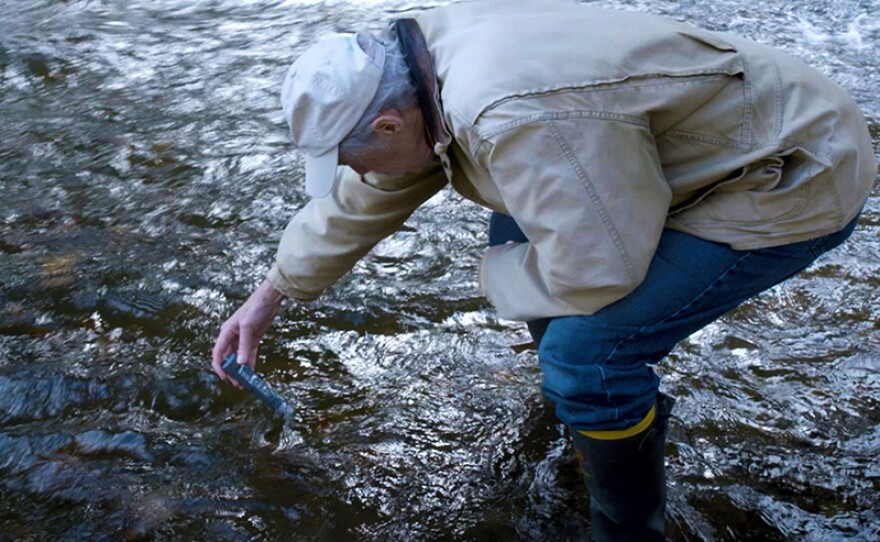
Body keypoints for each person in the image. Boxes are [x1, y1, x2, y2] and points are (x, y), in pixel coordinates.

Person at [212, 0, 876, 539]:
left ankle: (629, 526)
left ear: (388, 125)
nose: (356, 174)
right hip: (685, 137)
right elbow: (376, 188)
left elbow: (599, 271)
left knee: (586, 357)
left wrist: (492, 277)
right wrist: (272, 292)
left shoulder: (509, 114)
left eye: (354, 157)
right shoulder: (418, 64)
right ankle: (594, 419)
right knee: (541, 284)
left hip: (789, 170)